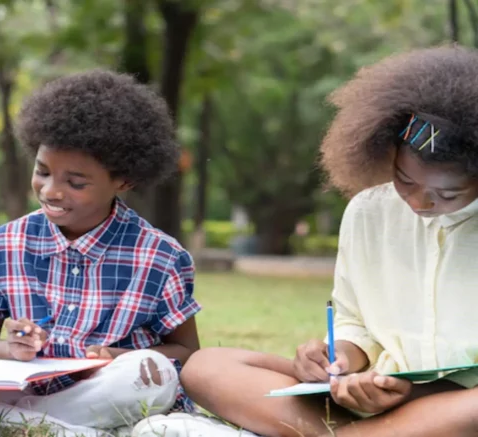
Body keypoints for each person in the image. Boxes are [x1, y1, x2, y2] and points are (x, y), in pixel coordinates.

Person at [136, 45, 478, 437]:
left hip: (463, 404)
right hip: (376, 394)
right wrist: (341, 359)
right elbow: (354, 321)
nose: (420, 202)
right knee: (207, 367)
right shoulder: (369, 210)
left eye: (447, 194)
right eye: (405, 180)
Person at [0, 70, 202, 436]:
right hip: (27, 389)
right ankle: (70, 428)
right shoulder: (3, 245)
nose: (51, 191)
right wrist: (14, 349)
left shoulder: (160, 256)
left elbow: (187, 354)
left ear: (123, 181)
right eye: (42, 172)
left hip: (111, 388)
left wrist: (117, 358)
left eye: (75, 183)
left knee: (147, 378)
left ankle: (30, 426)